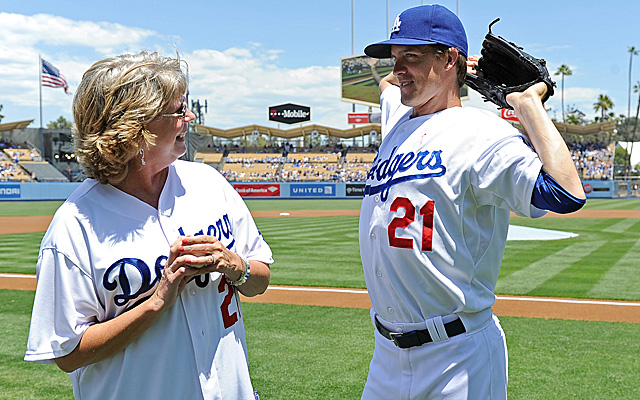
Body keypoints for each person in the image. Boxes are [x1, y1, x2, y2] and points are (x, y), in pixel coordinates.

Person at [359, 5, 585, 399]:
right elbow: (386, 88)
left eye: (411, 56)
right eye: (396, 59)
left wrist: (528, 102)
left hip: (457, 358)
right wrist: (460, 70)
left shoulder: (484, 134)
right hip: (386, 356)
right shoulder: (397, 117)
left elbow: (564, 194)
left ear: (447, 58)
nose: (398, 71)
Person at [24, 51, 273, 400]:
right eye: (177, 110)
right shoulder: (75, 225)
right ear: (135, 130)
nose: (189, 117)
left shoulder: (209, 183)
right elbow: (67, 351)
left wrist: (236, 265)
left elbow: (259, 280)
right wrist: (155, 301)